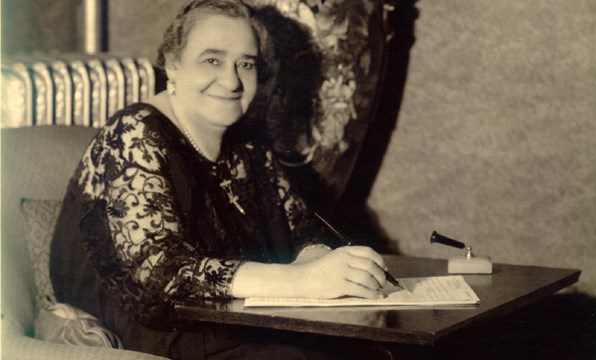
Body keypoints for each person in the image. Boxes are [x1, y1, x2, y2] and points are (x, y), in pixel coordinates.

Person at [50, 0, 390, 358]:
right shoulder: (134, 132)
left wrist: (316, 258)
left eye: (245, 64)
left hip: (234, 325)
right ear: (173, 65)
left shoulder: (247, 147)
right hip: (153, 338)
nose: (231, 80)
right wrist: (302, 279)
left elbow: (304, 226)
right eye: (212, 60)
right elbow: (164, 277)